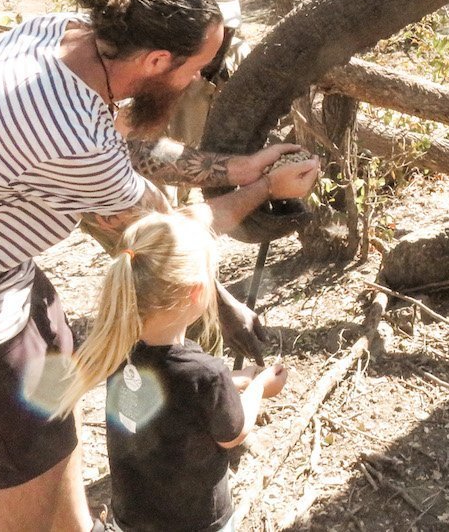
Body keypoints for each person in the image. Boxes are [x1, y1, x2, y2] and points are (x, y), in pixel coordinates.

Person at [0, 0, 319, 532]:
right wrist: (262, 190)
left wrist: (233, 168)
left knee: (52, 435)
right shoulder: (71, 140)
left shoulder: (56, 36)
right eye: (197, 69)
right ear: (159, 61)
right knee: (25, 481)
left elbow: (121, 143)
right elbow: (172, 234)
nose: (194, 81)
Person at [54, 212, 287, 532]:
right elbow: (235, 434)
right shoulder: (207, 373)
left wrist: (238, 379)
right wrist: (260, 386)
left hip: (133, 519)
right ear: (196, 293)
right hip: (198, 523)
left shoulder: (120, 354)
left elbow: (174, 396)